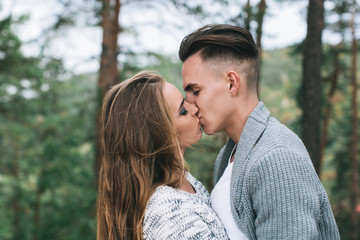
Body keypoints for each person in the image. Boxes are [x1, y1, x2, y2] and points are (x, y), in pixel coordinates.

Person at [178, 24, 340, 240]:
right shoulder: (229, 156)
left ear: (231, 83)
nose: (191, 105)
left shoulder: (277, 158)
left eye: (196, 91)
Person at [96, 71, 229, 240]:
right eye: (182, 111)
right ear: (158, 134)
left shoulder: (181, 178)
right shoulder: (170, 214)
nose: (194, 108)